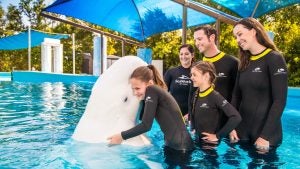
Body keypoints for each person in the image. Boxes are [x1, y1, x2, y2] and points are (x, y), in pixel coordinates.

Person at [230, 17, 288, 152]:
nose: (237, 40)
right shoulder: (244, 62)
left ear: (253, 31)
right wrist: (232, 126)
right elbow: (236, 97)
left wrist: (264, 136)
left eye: (240, 34)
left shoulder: (274, 58)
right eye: (235, 37)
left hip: (265, 136)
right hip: (242, 133)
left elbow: (279, 101)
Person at [107, 65, 194, 151]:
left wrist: (121, 136)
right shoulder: (155, 93)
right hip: (175, 144)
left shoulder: (151, 90)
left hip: (181, 146)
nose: (135, 93)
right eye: (133, 89)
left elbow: (146, 125)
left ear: (150, 83)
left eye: (137, 88)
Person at [190, 61, 241, 146]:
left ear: (206, 76)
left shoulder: (215, 96)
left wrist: (218, 136)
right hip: (198, 140)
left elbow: (236, 117)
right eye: (191, 75)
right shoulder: (196, 94)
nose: (191, 78)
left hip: (210, 145)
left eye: (194, 75)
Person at [164, 44, 195, 119]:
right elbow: (163, 93)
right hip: (173, 114)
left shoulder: (197, 72)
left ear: (192, 55)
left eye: (186, 54)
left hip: (192, 115)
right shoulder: (171, 72)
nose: (183, 57)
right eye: (181, 54)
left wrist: (191, 114)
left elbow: (202, 95)